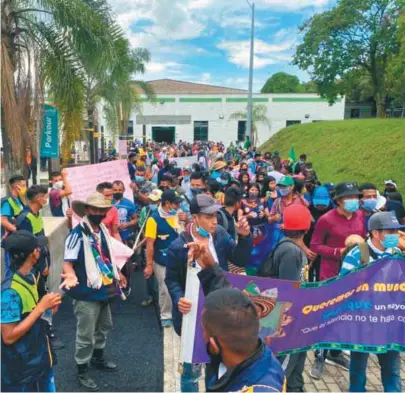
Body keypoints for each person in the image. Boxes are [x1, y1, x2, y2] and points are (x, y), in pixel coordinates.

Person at [165, 194, 253, 392]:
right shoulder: (178, 246)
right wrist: (179, 298)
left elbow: (239, 259)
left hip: (219, 314)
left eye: (216, 215)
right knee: (191, 372)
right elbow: (171, 279)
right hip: (193, 317)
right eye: (209, 216)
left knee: (217, 365)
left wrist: (245, 237)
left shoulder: (220, 235)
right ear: (195, 218)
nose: (215, 221)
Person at [187, 243, 285, 392]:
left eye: (204, 332)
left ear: (214, 345)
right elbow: (229, 309)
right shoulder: (249, 344)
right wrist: (211, 269)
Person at [60, 192, 127, 391]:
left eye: (102, 210)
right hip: (85, 293)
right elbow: (67, 263)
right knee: (85, 334)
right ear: (87, 211)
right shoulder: (77, 235)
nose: (99, 213)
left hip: (104, 289)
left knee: (105, 325)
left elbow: (108, 257)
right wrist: (70, 275)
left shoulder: (102, 230)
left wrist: (118, 274)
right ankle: (82, 369)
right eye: (95, 210)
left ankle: (97, 358)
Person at [340, 212, 404, 392]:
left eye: (397, 231)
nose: (396, 235)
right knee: (358, 368)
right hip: (362, 322)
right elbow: (341, 287)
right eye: (391, 231)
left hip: (389, 322)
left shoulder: (396, 253)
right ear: (376, 233)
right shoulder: (356, 255)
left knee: (392, 369)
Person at [310, 182, 366, 379]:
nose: (354, 201)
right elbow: (315, 245)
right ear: (339, 200)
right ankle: (320, 355)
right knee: (327, 315)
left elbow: (363, 239)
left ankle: (335, 353)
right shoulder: (326, 220)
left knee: (344, 315)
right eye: (349, 197)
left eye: (356, 197)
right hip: (331, 273)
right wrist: (337, 252)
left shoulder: (360, 216)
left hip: (353, 273)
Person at [258, 204, 311, 392]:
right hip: (289, 318)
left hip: (298, 313)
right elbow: (288, 289)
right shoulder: (290, 251)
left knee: (298, 357)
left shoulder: (290, 247)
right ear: (306, 228)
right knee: (287, 361)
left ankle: (296, 387)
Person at [1, 230, 61, 392]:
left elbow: (32, 316)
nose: (40, 251)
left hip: (38, 355)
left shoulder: (31, 277)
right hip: (20, 369)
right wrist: (41, 307)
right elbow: (8, 336)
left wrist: (48, 310)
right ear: (30, 254)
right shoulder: (10, 292)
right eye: (37, 248)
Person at [144, 190, 184, 328]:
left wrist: (187, 221)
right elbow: (149, 245)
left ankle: (178, 313)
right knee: (165, 289)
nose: (178, 207)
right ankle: (166, 315)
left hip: (180, 260)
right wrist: (149, 266)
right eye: (176, 204)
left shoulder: (179, 216)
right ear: (167, 204)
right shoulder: (153, 220)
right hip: (162, 261)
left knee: (180, 286)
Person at [112, 181, 138, 296]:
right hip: (110, 238)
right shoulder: (107, 203)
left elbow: (135, 219)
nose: (117, 192)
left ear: (123, 191)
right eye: (115, 190)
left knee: (125, 264)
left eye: (119, 190)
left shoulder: (129, 204)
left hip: (124, 238)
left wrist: (126, 224)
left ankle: (126, 285)